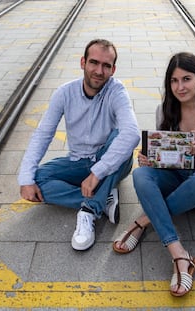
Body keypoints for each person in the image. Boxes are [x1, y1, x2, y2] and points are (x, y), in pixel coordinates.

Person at [113, 52, 195, 297]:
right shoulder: (164, 110)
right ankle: (180, 255)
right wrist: (150, 159)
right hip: (177, 180)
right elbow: (165, 155)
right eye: (174, 81)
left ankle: (143, 221)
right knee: (141, 174)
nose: (180, 87)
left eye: (186, 79)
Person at [18, 39, 140, 251]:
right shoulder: (64, 93)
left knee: (121, 136)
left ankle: (89, 211)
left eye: (106, 66)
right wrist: (25, 179)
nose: (99, 71)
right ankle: (104, 198)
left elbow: (132, 134)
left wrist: (96, 174)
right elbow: (43, 134)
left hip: (110, 164)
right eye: (94, 62)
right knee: (37, 180)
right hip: (78, 161)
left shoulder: (117, 91)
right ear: (83, 62)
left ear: (113, 70)